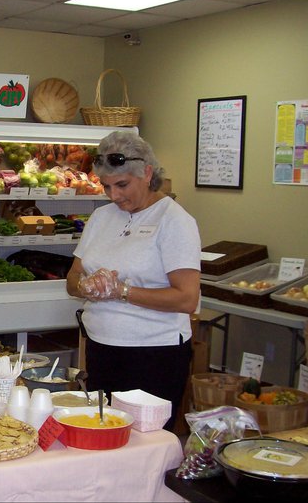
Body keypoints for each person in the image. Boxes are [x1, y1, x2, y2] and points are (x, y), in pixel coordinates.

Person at [66, 131, 201, 431]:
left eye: (122, 185)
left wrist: (122, 291)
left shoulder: (174, 221)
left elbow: (186, 298)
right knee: (101, 433)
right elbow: (72, 279)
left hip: (153, 356)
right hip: (101, 349)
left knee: (144, 441)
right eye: (106, 186)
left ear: (147, 173)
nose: (114, 196)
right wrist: (85, 286)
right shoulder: (101, 217)